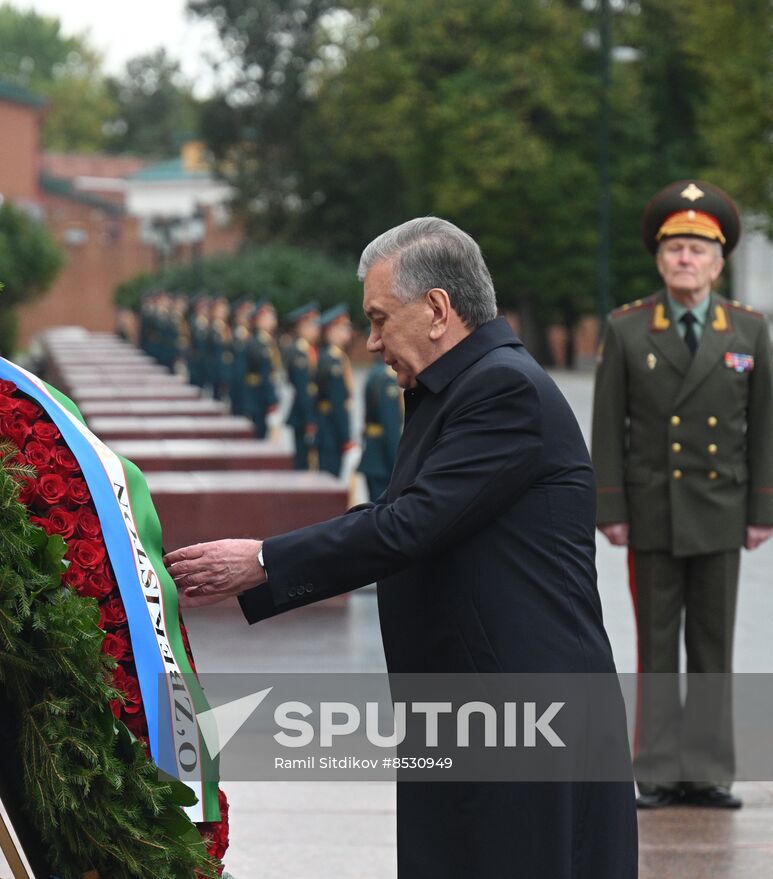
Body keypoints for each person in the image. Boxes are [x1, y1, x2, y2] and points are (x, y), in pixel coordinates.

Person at [165, 217, 637, 878]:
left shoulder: (503, 391)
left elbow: (408, 523)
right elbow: (399, 516)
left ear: (438, 310)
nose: (373, 340)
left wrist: (263, 560)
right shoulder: (457, 390)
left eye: (381, 318)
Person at [591, 180, 773, 810]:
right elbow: (609, 427)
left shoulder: (747, 332)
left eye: (699, 249)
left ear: (719, 261)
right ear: (659, 259)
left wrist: (764, 509)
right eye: (675, 249)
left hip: (722, 512)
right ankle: (659, 771)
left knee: (712, 644)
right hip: (654, 512)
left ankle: (708, 771)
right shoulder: (627, 330)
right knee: (656, 644)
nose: (686, 259)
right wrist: (610, 507)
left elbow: (766, 428)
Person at [314, 304, 356, 477]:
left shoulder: (334, 357)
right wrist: (346, 438)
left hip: (328, 430)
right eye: (344, 327)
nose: (348, 332)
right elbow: (337, 403)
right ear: (331, 330)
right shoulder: (332, 362)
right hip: (331, 432)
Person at [282, 302, 320, 469]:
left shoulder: (309, 350)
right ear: (302, 326)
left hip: (307, 412)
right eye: (313, 325)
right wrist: (310, 419)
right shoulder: (299, 353)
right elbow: (304, 389)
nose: (316, 330)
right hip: (303, 414)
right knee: (303, 463)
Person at [358, 356, 401, 498]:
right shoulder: (388, 379)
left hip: (373, 454)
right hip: (383, 460)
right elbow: (391, 427)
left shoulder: (375, 372)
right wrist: (398, 465)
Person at [239, 300, 282, 438]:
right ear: (259, 321)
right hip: (259, 399)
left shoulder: (265, 342)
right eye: (269, 317)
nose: (272, 320)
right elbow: (265, 376)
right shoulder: (259, 345)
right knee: (259, 438)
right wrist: (272, 402)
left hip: (258, 398)